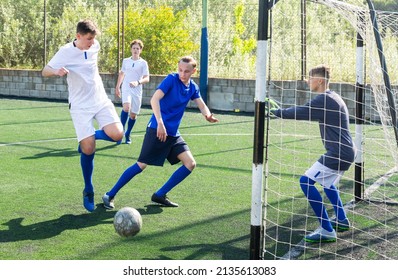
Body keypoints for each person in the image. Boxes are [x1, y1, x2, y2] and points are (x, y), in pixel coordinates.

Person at [102, 56, 218, 209]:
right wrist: (160, 124)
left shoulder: (193, 87)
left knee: (190, 163)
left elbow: (202, 105)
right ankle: (109, 194)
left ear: (193, 71)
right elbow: (154, 100)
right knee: (141, 165)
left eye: (186, 71)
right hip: (157, 129)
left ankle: (160, 194)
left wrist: (207, 115)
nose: (182, 74)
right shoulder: (171, 79)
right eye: (180, 70)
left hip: (173, 133)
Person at [42, 19, 124, 212]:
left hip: (100, 99)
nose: (91, 42)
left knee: (118, 135)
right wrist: (56, 71)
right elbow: (44, 71)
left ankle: (86, 137)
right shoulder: (65, 52)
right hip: (80, 106)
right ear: (78, 36)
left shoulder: (95, 45)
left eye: (93, 38)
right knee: (88, 148)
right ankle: (88, 189)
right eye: (88, 38)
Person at [271, 64, 356, 243]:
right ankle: (341, 219)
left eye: (310, 79)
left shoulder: (324, 99)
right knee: (328, 184)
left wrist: (277, 112)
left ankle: (326, 229)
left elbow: (303, 112)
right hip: (346, 151)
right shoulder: (333, 97)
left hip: (338, 152)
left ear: (319, 80)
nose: (308, 82)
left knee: (306, 182)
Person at [115, 39, 150, 144]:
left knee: (133, 115)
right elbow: (122, 74)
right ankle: (120, 133)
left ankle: (128, 133)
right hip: (126, 87)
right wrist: (117, 87)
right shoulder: (126, 61)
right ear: (131, 49)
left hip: (137, 89)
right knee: (126, 107)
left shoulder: (143, 63)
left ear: (140, 50)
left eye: (137, 48)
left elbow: (147, 78)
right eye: (134, 48)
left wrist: (138, 82)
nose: (135, 50)